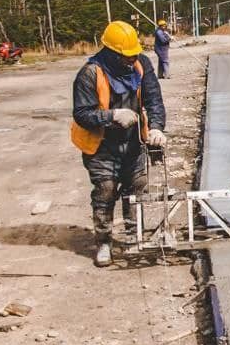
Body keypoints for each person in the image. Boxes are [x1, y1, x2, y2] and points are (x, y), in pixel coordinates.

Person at [71, 21, 167, 267]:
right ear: (111, 53)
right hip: (102, 145)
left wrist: (155, 127)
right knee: (106, 190)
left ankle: (134, 236)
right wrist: (111, 116)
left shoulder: (140, 64)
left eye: (133, 54)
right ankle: (103, 241)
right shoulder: (90, 73)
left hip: (132, 142)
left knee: (136, 188)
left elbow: (153, 98)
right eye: (126, 56)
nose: (131, 59)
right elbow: (82, 113)